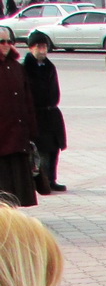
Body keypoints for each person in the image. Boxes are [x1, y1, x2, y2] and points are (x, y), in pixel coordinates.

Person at [23, 31, 67, 193]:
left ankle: (52, 179)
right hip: (37, 113)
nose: (42, 50)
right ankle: (41, 181)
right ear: (31, 48)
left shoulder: (50, 66)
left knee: (54, 147)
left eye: (44, 47)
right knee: (41, 149)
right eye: (38, 47)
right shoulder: (25, 68)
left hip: (52, 113)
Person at [0, 28, 37, 207]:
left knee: (17, 181)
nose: (6, 45)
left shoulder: (16, 66)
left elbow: (27, 99)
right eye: (2, 42)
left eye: (9, 41)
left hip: (18, 134)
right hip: (2, 135)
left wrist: (31, 129)